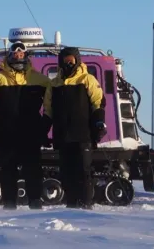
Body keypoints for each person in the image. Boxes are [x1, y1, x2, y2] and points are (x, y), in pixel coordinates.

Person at [0, 42, 52, 210]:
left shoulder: (40, 79)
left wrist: (44, 127)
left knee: (33, 169)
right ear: (10, 55)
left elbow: (50, 105)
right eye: (15, 53)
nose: (18, 56)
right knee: (7, 170)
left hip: (31, 133)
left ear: (26, 55)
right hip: (7, 133)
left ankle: (35, 201)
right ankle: (9, 203)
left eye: (21, 54)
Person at [41, 46, 107, 209]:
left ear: (77, 61)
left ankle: (85, 204)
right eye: (65, 61)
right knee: (67, 173)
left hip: (83, 135)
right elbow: (48, 110)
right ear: (60, 62)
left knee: (83, 172)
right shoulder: (54, 84)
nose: (69, 64)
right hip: (63, 136)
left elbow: (98, 103)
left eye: (71, 61)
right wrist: (43, 131)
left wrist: (99, 123)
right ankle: (71, 205)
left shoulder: (87, 79)